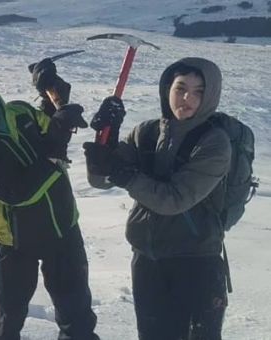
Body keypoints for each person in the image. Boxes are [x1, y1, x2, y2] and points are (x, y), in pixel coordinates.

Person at [0, 67, 99, 340]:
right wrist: (54, 151)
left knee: (77, 315)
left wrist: (55, 97)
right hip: (15, 242)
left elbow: (49, 127)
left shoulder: (20, 112)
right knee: (10, 315)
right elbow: (17, 192)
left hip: (63, 227)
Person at [84, 57, 232, 339]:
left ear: (210, 95)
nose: (187, 98)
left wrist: (125, 174)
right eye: (180, 88)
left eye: (199, 91)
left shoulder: (215, 143)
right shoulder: (147, 132)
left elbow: (173, 201)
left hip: (195, 263)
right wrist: (106, 139)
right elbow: (100, 180)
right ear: (167, 89)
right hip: (148, 260)